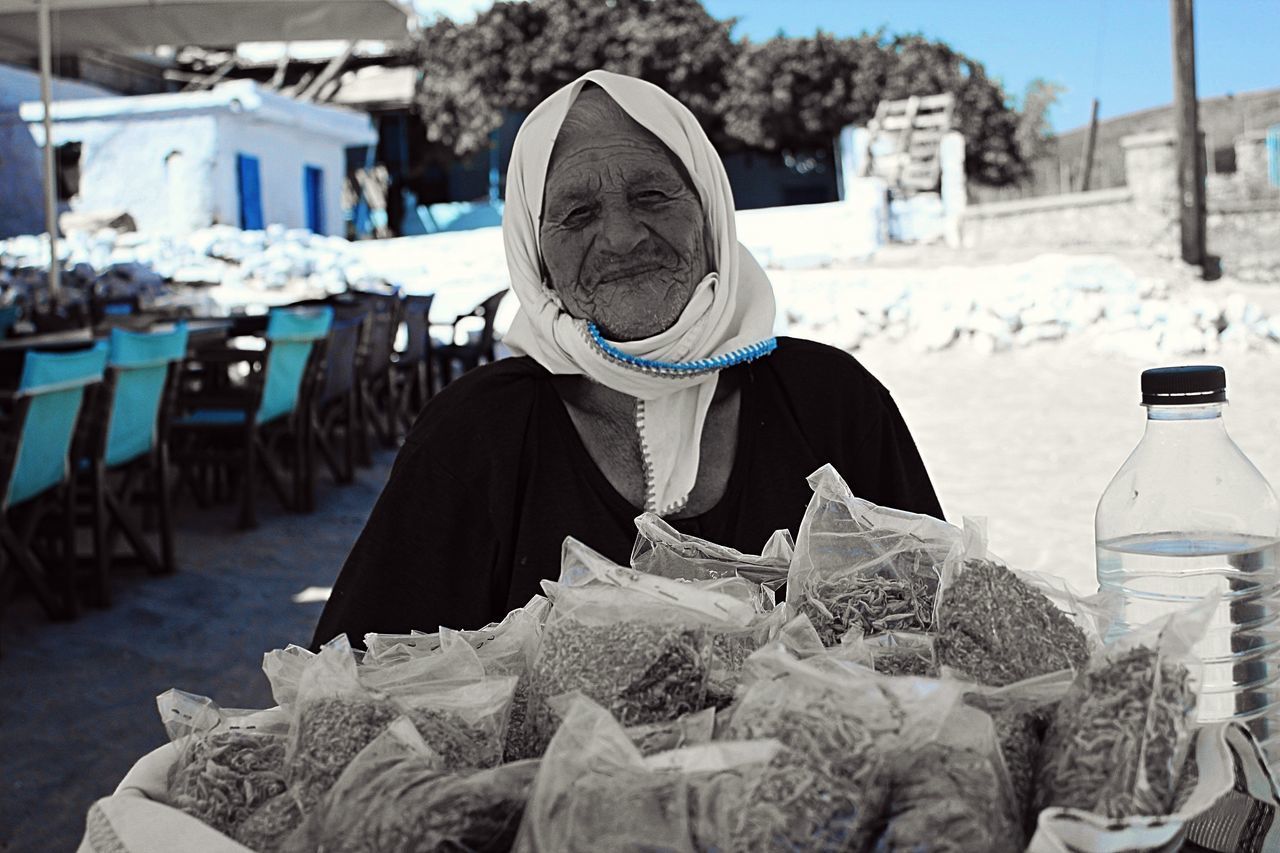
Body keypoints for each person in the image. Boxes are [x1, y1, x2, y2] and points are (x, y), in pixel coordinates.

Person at [312, 70, 941, 649]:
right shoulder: (475, 435)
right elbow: (356, 681)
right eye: (577, 213)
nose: (620, 237)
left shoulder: (833, 402)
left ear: (710, 213)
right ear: (536, 253)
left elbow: (942, 638)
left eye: (652, 194)